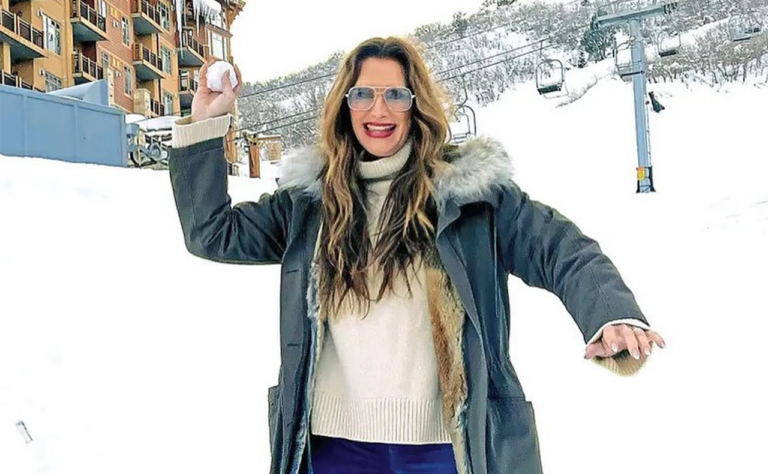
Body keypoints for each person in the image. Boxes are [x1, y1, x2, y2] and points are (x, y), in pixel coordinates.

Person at [168, 38, 666, 474]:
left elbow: (563, 250)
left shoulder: (470, 197)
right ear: (345, 104)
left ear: (415, 105)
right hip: (332, 446)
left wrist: (610, 313)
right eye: (363, 93)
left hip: (447, 448)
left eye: (395, 95)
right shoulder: (309, 204)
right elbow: (212, 232)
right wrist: (206, 125)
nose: (378, 110)